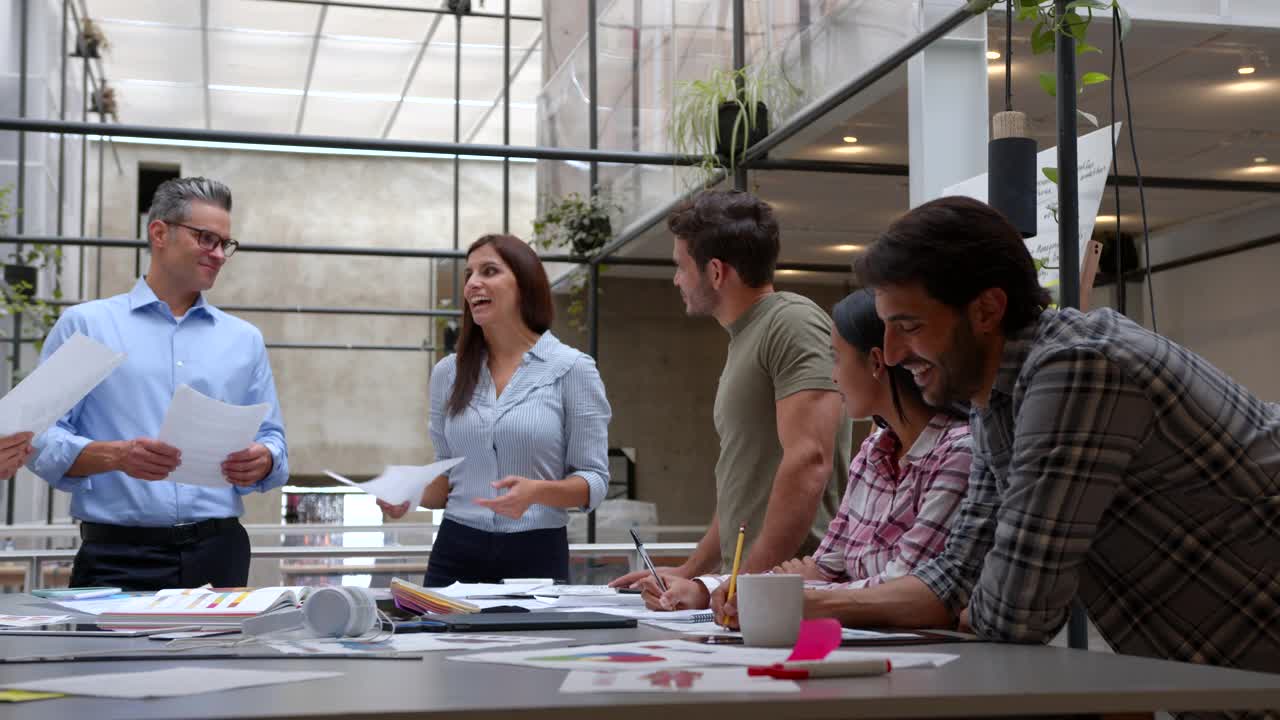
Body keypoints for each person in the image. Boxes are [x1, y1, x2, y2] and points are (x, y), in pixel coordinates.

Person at [798, 195, 1280, 676]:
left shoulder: (1077, 369)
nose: (892, 353)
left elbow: (1017, 611)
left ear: (987, 310)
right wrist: (809, 608)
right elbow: (957, 574)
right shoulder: (999, 398)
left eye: (909, 326)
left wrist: (828, 606)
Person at [28, 177, 289, 591]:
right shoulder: (89, 326)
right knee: (111, 659)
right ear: (159, 233)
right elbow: (35, 437)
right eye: (206, 239)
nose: (219, 254)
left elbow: (274, 439)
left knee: (215, 660)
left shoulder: (244, 340)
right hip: (118, 558)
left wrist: (265, 460)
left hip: (219, 554)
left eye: (226, 243)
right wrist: (114, 456)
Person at [640, 289, 972, 612]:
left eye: (837, 359)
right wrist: (707, 589)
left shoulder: (957, 452)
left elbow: (904, 588)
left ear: (875, 362)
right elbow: (828, 564)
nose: (832, 376)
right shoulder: (873, 452)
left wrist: (791, 592)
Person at [611, 190, 851, 591]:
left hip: (792, 589)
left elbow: (809, 462)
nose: (676, 280)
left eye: (681, 267)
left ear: (717, 272)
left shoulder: (791, 323)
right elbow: (742, 489)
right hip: (754, 588)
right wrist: (691, 573)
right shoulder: (747, 335)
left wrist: (739, 584)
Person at [379, 234, 611, 586]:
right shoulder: (448, 373)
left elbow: (594, 479)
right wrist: (407, 495)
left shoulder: (572, 369)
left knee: (525, 642)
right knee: (439, 641)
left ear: (525, 285)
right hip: (455, 549)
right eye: (469, 274)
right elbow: (447, 480)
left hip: (536, 551)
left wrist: (537, 492)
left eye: (489, 271)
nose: (473, 283)